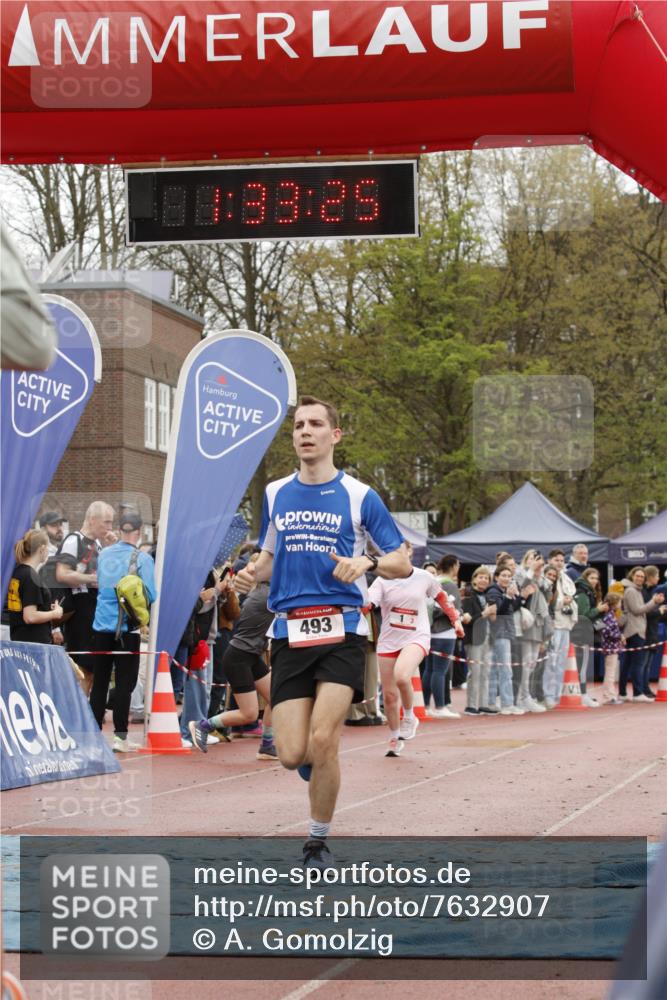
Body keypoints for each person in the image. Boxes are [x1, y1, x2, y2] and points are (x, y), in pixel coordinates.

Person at [234, 395, 411, 870]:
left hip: (342, 627)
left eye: (315, 424)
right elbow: (269, 558)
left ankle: (316, 841)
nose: (305, 432)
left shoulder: (359, 495)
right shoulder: (275, 493)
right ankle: (319, 772)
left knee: (325, 737)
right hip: (290, 632)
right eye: (298, 426)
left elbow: (401, 559)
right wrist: (252, 573)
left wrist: (367, 561)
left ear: (335, 436)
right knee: (293, 754)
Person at [366, 546, 461, 751]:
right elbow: (368, 603)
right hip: (389, 640)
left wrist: (456, 621)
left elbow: (442, 597)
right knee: (390, 696)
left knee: (402, 676)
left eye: (401, 549)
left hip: (416, 636)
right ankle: (394, 736)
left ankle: (409, 716)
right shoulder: (382, 580)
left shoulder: (423, 576)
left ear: (409, 552)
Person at [189, 572, 277, 760]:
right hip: (239, 657)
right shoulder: (271, 595)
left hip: (249, 655)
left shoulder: (264, 590)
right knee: (249, 714)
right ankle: (203, 726)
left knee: (276, 697)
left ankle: (267, 746)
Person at [89, 513, 157, 752]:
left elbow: (99, 582)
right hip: (127, 629)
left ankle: (95, 734)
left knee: (99, 682)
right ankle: (120, 737)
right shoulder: (143, 558)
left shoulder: (104, 554)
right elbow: (151, 595)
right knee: (125, 684)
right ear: (138, 532)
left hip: (100, 626)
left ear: (119, 530)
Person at [55, 501, 116, 696]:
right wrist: (91, 579)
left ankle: (84, 712)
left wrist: (112, 548)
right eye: (106, 522)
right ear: (92, 519)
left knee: (93, 669)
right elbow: (61, 574)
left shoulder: (98, 544)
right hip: (80, 609)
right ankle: (76, 715)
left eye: (111, 523)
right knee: (82, 669)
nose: (110, 528)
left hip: (96, 609)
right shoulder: (74, 540)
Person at [486, 565, 533, 714]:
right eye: (503, 575)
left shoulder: (503, 591)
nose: (506, 578)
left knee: (495, 669)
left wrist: (520, 597)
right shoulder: (494, 591)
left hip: (504, 632)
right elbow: (497, 611)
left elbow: (512, 607)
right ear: (496, 577)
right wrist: (507, 597)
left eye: (509, 576)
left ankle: (492, 702)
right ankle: (507, 704)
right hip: (500, 633)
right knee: (505, 670)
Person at [7, 529, 64, 644]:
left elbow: (25, 604)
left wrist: (45, 606)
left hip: (20, 639)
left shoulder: (18, 572)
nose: (48, 551)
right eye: (48, 548)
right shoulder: (30, 576)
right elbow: (30, 617)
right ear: (41, 549)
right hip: (33, 643)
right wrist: (55, 614)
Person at [514, 550, 550, 713]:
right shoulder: (521, 574)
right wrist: (531, 571)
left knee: (533, 663)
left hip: (539, 623)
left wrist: (540, 573)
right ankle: (523, 697)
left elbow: (549, 593)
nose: (535, 562)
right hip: (527, 623)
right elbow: (522, 588)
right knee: (526, 663)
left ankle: (526, 695)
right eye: (531, 559)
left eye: (537, 560)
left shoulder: (540, 579)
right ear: (525, 561)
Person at [541, 550, 578, 709]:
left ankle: (556, 694)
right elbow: (548, 603)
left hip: (566, 624)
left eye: (562, 560)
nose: (559, 563)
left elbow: (572, 599)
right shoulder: (546, 578)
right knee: (551, 662)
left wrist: (571, 608)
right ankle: (547, 694)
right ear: (549, 560)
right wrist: (563, 602)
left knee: (561, 662)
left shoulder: (567, 578)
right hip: (553, 624)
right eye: (556, 560)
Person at [621, 566, 665, 702]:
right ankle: (637, 693)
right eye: (637, 576)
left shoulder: (636, 590)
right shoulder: (632, 591)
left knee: (628, 663)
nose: (640, 578)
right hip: (635, 631)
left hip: (635, 630)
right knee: (637, 664)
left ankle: (623, 693)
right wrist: (655, 603)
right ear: (632, 576)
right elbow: (637, 610)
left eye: (641, 576)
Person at [461, 566, 496, 715]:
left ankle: (483, 703)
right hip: (474, 638)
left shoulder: (488, 597)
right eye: (480, 577)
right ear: (474, 579)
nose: (483, 580)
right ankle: (471, 704)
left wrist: (492, 615)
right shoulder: (468, 596)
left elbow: (492, 618)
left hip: (487, 637)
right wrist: (484, 613)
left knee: (485, 672)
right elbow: (468, 620)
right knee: (474, 671)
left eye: (486, 578)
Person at [572, 567, 608, 708]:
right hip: (581, 634)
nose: (594, 581)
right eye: (591, 578)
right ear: (585, 578)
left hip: (582, 633)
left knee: (581, 666)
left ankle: (581, 694)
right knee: (582, 667)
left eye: (596, 578)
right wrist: (598, 610)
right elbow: (583, 614)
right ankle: (583, 695)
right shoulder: (583, 593)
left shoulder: (588, 592)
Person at [599, 592, 625, 704]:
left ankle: (610, 695)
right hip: (610, 648)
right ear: (614, 603)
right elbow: (606, 632)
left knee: (611, 672)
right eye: (619, 602)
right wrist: (619, 636)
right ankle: (608, 696)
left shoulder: (609, 614)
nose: (620, 604)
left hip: (611, 647)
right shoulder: (609, 615)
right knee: (610, 673)